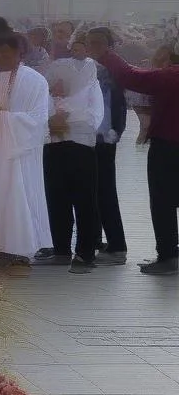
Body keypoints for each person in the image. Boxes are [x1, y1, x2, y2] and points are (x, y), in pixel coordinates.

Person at [88, 30, 179, 276]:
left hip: (169, 145)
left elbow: (131, 77)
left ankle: (169, 255)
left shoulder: (172, 75)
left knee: (163, 202)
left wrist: (106, 54)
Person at [0, 33, 52, 274]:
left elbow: (39, 119)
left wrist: (5, 119)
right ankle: (0, 247)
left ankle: (21, 251)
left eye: (6, 51)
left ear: (20, 53)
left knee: (20, 196)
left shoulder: (36, 81)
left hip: (21, 153)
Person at [32, 33, 104, 274]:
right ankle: (61, 249)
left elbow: (94, 118)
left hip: (81, 149)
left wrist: (66, 117)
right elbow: (40, 116)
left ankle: (85, 254)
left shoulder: (92, 88)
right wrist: (52, 119)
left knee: (84, 201)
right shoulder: (49, 94)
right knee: (56, 199)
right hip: (54, 148)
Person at [87, 26, 128, 264]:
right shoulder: (84, 68)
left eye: (99, 43)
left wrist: (115, 133)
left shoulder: (112, 70)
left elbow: (118, 106)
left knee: (105, 190)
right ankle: (95, 239)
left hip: (104, 138)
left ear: (109, 46)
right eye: (90, 42)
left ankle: (117, 245)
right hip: (86, 138)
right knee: (90, 189)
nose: (93, 48)